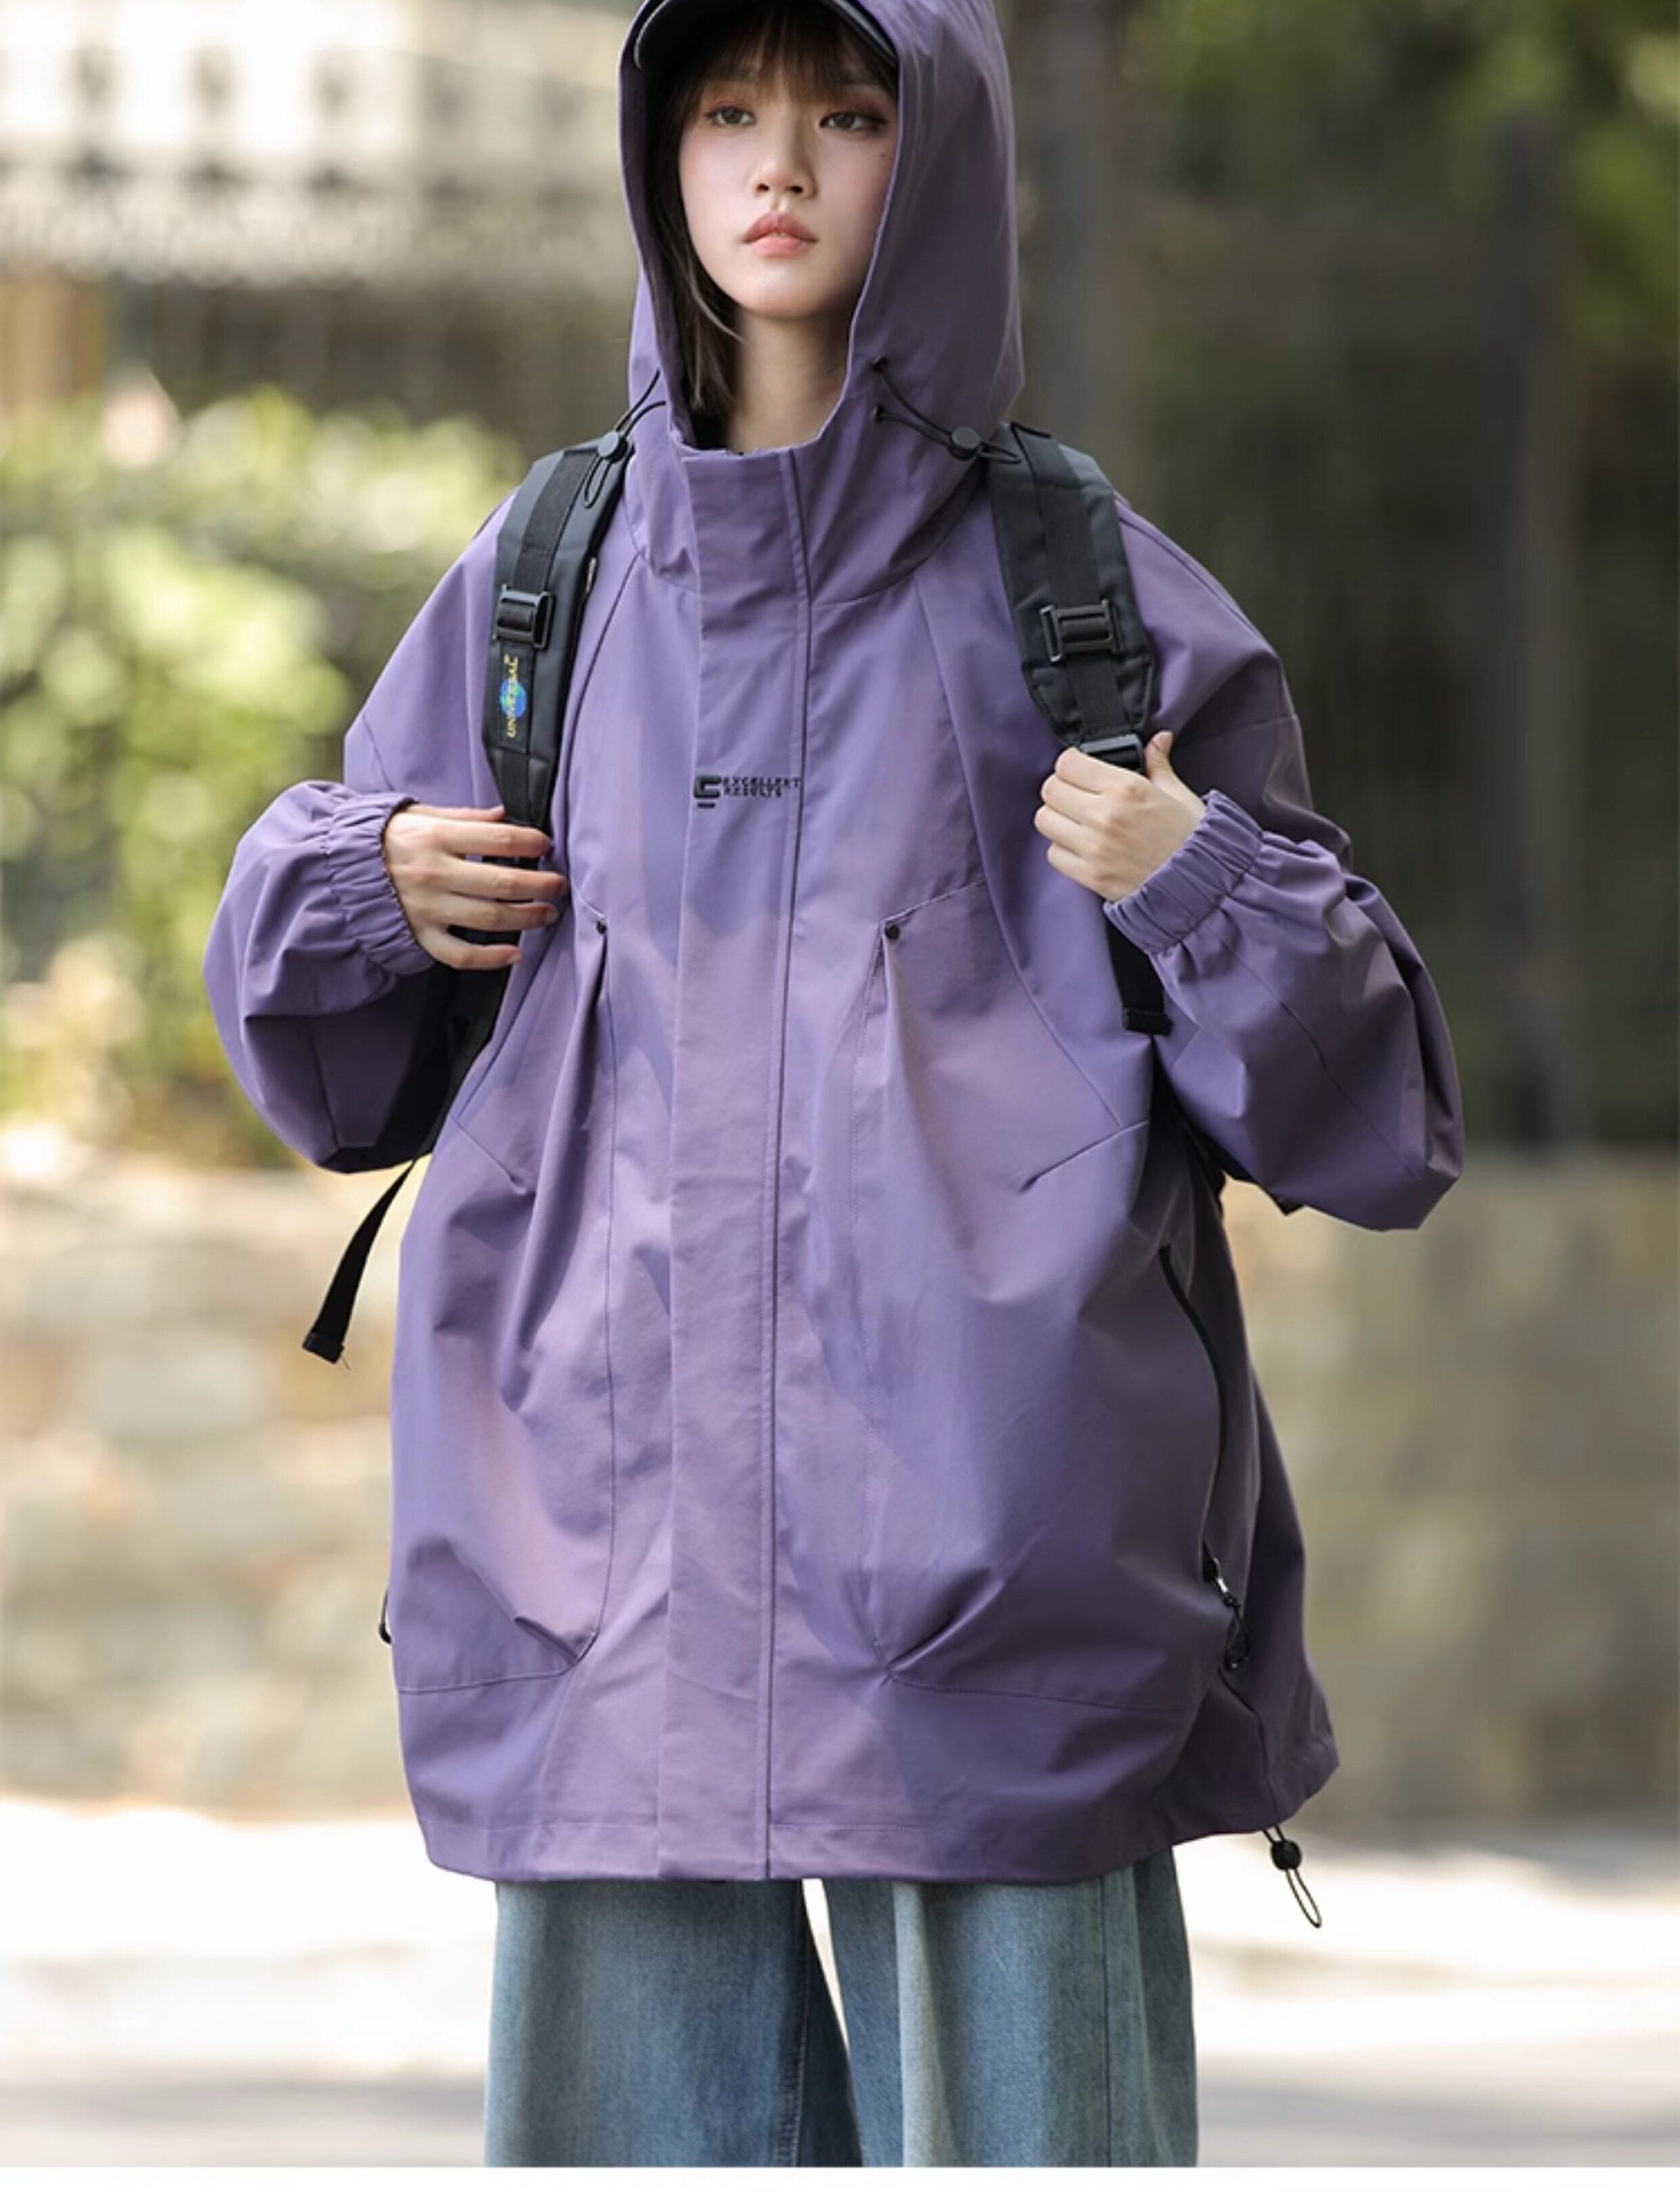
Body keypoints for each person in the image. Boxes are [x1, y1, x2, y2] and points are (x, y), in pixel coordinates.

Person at [201, 0, 1465, 2166]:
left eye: (848, 112)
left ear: (938, 155)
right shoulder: (551, 573)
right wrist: (361, 884)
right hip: (600, 1588)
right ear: (660, 156)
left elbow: (1375, 1115)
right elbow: (326, 1065)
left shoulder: (1080, 588)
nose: (779, 161)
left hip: (1002, 1589)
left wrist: (1197, 878)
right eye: (726, 110)